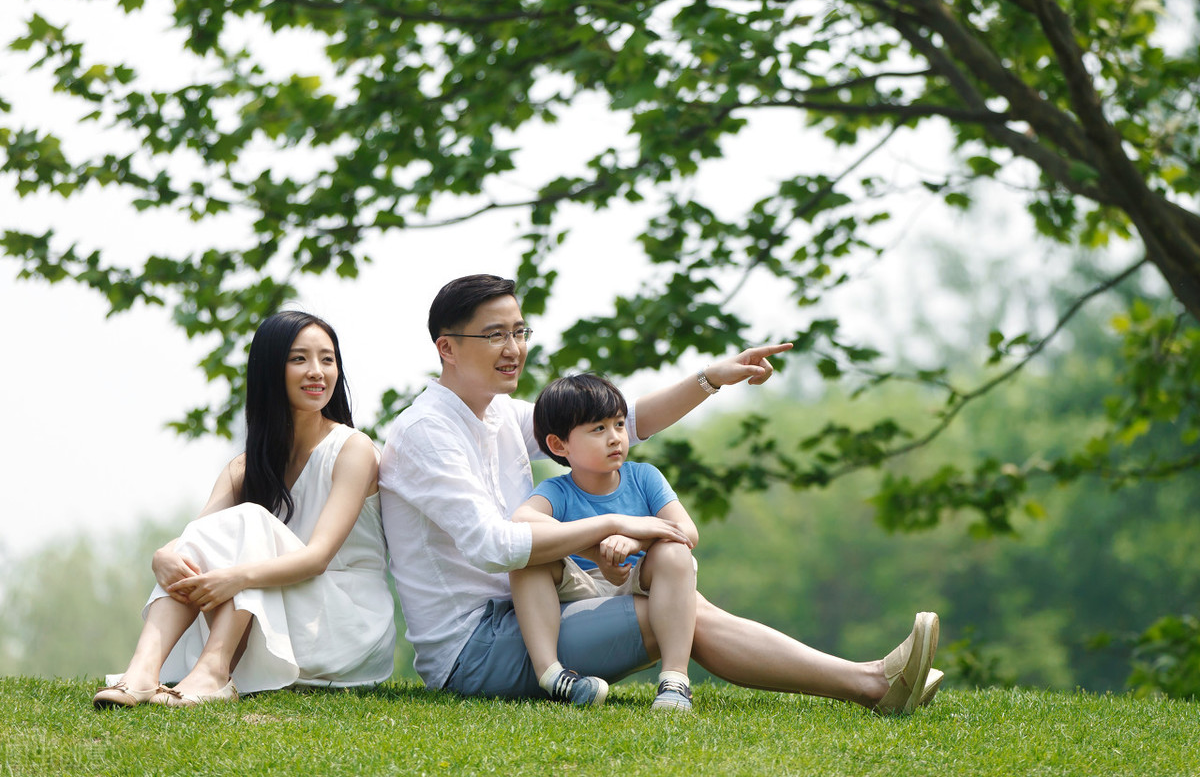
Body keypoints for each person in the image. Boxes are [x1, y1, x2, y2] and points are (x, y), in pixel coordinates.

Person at [379, 274, 940, 714]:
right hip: (477, 650)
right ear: (447, 348)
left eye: (520, 332)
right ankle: (870, 682)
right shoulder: (427, 431)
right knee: (673, 614)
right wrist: (616, 527)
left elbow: (615, 426)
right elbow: (494, 546)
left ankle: (871, 681)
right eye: (495, 334)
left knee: (679, 603)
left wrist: (711, 379)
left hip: (540, 608)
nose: (513, 348)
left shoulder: (496, 414)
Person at [93, 311, 395, 709]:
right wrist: (162, 556)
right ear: (271, 369)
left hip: (343, 623)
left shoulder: (353, 449)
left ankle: (214, 672)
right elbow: (198, 536)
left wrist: (236, 578)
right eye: (299, 359)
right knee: (211, 539)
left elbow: (318, 558)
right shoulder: (246, 465)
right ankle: (142, 672)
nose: (317, 372)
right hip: (272, 610)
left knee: (252, 520)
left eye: (327, 359)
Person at [509, 374, 700, 709]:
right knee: (527, 555)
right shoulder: (558, 491)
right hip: (578, 591)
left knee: (675, 552)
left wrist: (632, 538)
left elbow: (687, 532)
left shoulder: (644, 477)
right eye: (598, 429)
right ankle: (552, 674)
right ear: (559, 445)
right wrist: (601, 541)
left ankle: (675, 680)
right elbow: (521, 522)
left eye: (619, 424)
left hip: (639, 581)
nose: (615, 438)